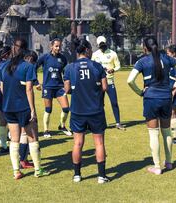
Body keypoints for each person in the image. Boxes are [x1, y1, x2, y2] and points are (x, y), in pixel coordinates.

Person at [127, 36, 176, 175]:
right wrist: (175, 86)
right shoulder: (166, 58)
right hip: (166, 98)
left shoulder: (142, 61)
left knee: (153, 133)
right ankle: (169, 162)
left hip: (151, 99)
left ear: (145, 48)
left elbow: (130, 80)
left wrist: (140, 92)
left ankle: (157, 167)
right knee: (166, 131)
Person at [0, 38, 49, 179]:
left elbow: (3, 88)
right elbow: (29, 89)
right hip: (23, 107)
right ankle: (38, 170)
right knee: (32, 137)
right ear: (25, 50)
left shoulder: (4, 66)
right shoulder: (28, 67)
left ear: (13, 48)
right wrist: (32, 109)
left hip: (8, 107)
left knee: (14, 140)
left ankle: (16, 171)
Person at [64, 38, 110, 183]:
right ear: (87, 50)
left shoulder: (70, 67)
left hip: (78, 110)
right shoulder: (97, 66)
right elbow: (104, 87)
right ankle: (101, 176)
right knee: (99, 143)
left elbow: (66, 89)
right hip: (96, 109)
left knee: (78, 143)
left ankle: (77, 175)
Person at [36, 38, 72, 138]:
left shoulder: (63, 58)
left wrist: (67, 83)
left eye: (59, 46)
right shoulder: (45, 57)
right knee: (48, 109)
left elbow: (66, 73)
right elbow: (34, 68)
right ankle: (46, 130)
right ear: (51, 46)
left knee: (66, 108)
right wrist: (36, 82)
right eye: (56, 46)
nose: (58, 48)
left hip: (59, 87)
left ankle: (62, 126)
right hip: (48, 87)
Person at [91, 36, 126, 130]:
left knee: (114, 102)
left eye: (103, 45)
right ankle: (102, 123)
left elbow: (118, 66)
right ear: (97, 45)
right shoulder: (95, 54)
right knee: (100, 104)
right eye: (100, 45)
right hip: (99, 83)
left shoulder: (113, 53)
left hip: (110, 82)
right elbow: (91, 67)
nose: (102, 47)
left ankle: (118, 123)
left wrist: (113, 69)